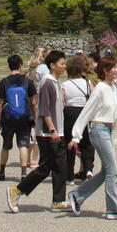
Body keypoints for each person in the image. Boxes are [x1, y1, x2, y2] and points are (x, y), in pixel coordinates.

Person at [67, 58, 117, 220]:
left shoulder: (111, 88)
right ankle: (114, 209)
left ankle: (77, 195)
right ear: (105, 70)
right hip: (98, 129)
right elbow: (87, 112)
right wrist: (76, 136)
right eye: (114, 69)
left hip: (108, 128)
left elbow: (108, 110)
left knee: (106, 171)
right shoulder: (100, 88)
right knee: (112, 171)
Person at [8, 50, 69, 212]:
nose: (64, 67)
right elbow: (44, 110)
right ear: (52, 65)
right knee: (44, 168)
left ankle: (58, 200)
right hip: (48, 133)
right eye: (62, 64)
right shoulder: (47, 82)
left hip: (58, 131)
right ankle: (17, 190)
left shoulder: (56, 82)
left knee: (61, 166)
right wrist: (52, 129)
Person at [0, 54, 36, 182]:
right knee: (23, 144)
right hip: (24, 116)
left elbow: (1, 103)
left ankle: (2, 172)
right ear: (20, 65)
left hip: (8, 117)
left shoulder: (4, 82)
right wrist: (33, 117)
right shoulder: (27, 82)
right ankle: (23, 173)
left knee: (6, 145)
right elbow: (33, 102)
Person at [63, 54, 96, 182]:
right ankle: (88, 169)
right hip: (84, 112)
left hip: (70, 112)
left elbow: (63, 102)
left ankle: (69, 175)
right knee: (86, 143)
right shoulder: (88, 83)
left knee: (69, 143)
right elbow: (93, 99)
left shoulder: (65, 84)